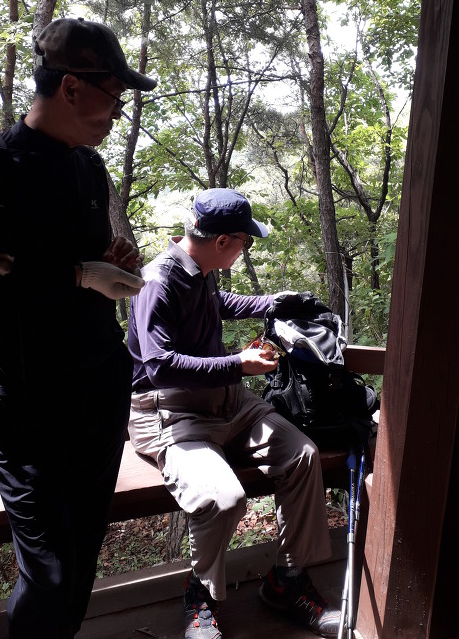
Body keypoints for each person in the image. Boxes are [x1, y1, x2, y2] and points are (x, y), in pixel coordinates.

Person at [0, 17, 156, 639]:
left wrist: (110, 264)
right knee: (49, 568)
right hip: (24, 399)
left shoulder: (88, 169)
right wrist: (76, 275)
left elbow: (54, 272)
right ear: (71, 86)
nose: (117, 111)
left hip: (98, 388)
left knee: (84, 549)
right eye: (113, 95)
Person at [127, 188, 340, 639]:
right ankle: (200, 596)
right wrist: (238, 364)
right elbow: (159, 365)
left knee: (302, 455)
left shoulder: (200, 271)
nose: (245, 248)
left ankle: (286, 581)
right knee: (223, 498)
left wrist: (274, 303)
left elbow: (217, 304)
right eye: (245, 240)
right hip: (171, 412)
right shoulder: (157, 282)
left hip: (227, 401)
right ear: (222, 241)